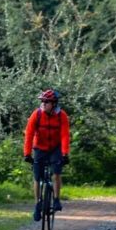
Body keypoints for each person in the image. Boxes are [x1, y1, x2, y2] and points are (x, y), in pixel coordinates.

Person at [23, 89, 70, 221]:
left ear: (54, 104)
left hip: (55, 148)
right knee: (37, 177)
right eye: (42, 101)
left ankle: (56, 199)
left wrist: (65, 153)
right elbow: (29, 134)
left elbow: (65, 135)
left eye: (46, 102)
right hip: (39, 148)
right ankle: (37, 204)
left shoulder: (62, 116)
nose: (43, 104)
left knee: (56, 173)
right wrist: (27, 153)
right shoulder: (36, 115)